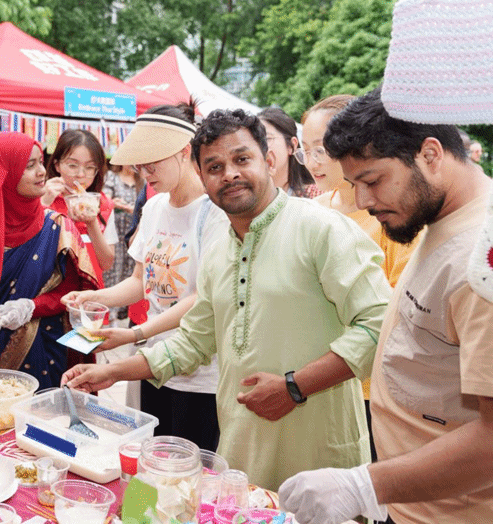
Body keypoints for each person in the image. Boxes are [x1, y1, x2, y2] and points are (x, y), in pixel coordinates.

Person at [64, 108, 392, 492]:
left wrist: (295, 386)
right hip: (240, 454)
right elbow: (194, 341)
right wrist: (114, 372)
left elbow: (381, 324)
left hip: (320, 456)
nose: (229, 174)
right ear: (201, 176)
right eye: (215, 167)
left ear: (269, 160)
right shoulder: (219, 247)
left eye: (242, 159)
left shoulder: (322, 229)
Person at [279, 87, 493, 524]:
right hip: (413, 501)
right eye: (354, 184)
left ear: (430, 155)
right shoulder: (442, 217)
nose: (362, 201)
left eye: (373, 181)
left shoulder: (481, 258)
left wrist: (365, 485)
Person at [62, 105, 225, 452]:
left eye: (153, 162)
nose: (144, 171)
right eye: (140, 164)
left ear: (184, 151)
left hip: (199, 374)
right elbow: (140, 281)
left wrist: (135, 333)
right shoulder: (154, 207)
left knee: (188, 464)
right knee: (152, 458)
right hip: (151, 363)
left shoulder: (215, 213)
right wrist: (94, 297)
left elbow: (202, 298)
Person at [0, 132, 101, 390]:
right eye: (29, 165)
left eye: (40, 162)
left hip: (44, 349)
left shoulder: (57, 227)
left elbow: (75, 294)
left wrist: (32, 306)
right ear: (3, 173)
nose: (41, 171)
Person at [300, 95, 417, 288]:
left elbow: (402, 296)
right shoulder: (310, 212)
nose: (311, 164)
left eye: (320, 151)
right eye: (305, 151)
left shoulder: (393, 216)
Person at [42, 129, 118, 283]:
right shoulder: (43, 198)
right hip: (48, 290)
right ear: (57, 165)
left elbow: (106, 263)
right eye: (72, 165)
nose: (81, 174)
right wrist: (42, 204)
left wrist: (92, 223)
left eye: (89, 167)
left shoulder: (103, 205)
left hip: (90, 291)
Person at [101, 164, 141, 319]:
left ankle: (123, 312)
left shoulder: (142, 181)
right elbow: (105, 199)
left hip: (133, 233)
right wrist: (114, 203)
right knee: (113, 271)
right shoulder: (112, 177)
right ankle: (109, 313)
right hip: (115, 232)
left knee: (131, 270)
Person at [257, 107, 320, 198]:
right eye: (254, 141)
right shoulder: (245, 198)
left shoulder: (316, 196)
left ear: (292, 146)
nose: (259, 146)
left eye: (267, 139)